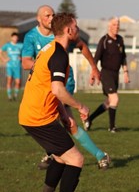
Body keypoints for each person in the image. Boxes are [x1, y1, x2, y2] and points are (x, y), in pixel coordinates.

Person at [21, 5, 109, 170]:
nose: (51, 18)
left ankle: (92, 155)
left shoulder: (64, 33)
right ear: (39, 19)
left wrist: (94, 67)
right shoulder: (31, 36)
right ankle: (60, 154)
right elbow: (25, 62)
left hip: (63, 83)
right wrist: (44, 67)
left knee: (66, 121)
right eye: (47, 15)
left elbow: (82, 45)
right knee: (61, 122)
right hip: (45, 85)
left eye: (53, 14)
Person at [18, 13, 91, 192]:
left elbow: (49, 90)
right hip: (39, 118)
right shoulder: (59, 54)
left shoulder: (49, 48)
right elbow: (57, 90)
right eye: (76, 27)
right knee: (76, 160)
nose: (78, 30)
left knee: (60, 157)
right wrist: (80, 106)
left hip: (34, 114)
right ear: (68, 30)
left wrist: (64, 114)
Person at [84, 17, 130, 133]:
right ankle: (112, 127)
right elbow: (96, 58)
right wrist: (93, 74)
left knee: (109, 102)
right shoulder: (104, 40)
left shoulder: (120, 40)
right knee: (115, 98)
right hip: (106, 73)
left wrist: (125, 72)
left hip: (115, 74)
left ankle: (89, 119)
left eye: (118, 25)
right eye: (114, 24)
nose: (117, 27)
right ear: (109, 26)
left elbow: (123, 57)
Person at [1, 32, 23, 101]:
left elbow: (27, 51)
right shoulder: (7, 45)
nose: (15, 38)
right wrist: (4, 59)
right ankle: (9, 97)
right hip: (9, 66)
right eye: (14, 37)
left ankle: (15, 96)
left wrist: (22, 58)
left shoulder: (20, 45)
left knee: (18, 82)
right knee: (9, 81)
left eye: (16, 37)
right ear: (11, 38)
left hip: (17, 66)